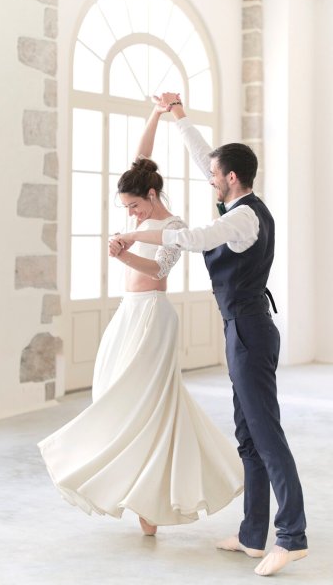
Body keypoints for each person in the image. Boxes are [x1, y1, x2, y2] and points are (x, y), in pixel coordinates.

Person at [115, 93, 308, 575]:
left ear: (232, 179)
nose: (209, 177)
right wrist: (176, 114)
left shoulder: (242, 217)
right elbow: (206, 156)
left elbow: (195, 238)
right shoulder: (237, 198)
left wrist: (139, 234)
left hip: (250, 330)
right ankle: (252, 535)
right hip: (240, 329)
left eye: (215, 175)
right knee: (247, 436)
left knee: (266, 436)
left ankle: (292, 537)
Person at [38, 102, 243, 536]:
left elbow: (158, 270)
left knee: (146, 404)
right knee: (115, 394)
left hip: (153, 315)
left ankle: (150, 506)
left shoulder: (172, 224)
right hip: (127, 315)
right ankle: (139, 496)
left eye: (134, 206)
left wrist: (124, 252)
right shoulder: (141, 205)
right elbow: (140, 158)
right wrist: (156, 115)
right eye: (127, 208)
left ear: (152, 197)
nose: (131, 214)